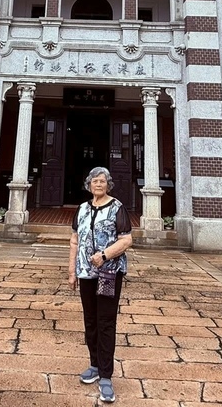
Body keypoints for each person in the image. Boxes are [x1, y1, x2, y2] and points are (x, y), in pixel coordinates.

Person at [68, 166, 133, 403]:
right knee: (90, 321)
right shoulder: (83, 209)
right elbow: (74, 241)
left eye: (102, 181)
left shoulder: (117, 208)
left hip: (108, 273)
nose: (98, 184)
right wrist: (72, 271)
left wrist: (105, 255)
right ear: (88, 185)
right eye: (95, 181)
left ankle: (106, 375)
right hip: (86, 273)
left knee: (105, 321)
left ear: (109, 185)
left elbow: (126, 240)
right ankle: (94, 364)